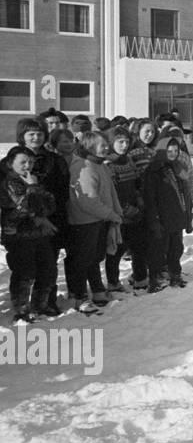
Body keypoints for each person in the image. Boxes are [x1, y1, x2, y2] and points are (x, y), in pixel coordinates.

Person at [66, 131, 124, 313]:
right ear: (89, 147)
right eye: (102, 145)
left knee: (95, 258)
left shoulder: (99, 165)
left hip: (100, 219)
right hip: (85, 222)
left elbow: (110, 192)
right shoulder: (84, 167)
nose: (107, 147)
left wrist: (117, 211)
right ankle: (80, 296)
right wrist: (111, 214)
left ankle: (98, 290)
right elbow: (88, 201)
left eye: (107, 144)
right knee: (83, 260)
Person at [2, 146, 59, 322]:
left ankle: (40, 305)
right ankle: (21, 309)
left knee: (48, 269)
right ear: (11, 163)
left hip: (39, 234)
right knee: (24, 273)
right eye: (23, 162)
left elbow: (50, 205)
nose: (28, 165)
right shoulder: (9, 183)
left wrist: (35, 195)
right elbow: (22, 208)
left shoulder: (32, 180)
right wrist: (33, 191)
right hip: (18, 235)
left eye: (31, 162)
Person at [141, 138, 193, 290]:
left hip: (176, 216)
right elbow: (150, 198)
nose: (173, 154)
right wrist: (154, 219)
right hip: (162, 217)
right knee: (159, 249)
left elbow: (185, 193)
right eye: (169, 151)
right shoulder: (154, 171)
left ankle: (175, 273)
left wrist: (188, 215)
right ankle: (156, 278)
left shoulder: (177, 168)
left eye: (176, 151)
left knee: (176, 248)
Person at [103, 127, 148, 294]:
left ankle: (140, 277)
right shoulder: (108, 164)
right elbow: (112, 191)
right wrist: (125, 209)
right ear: (111, 143)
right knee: (117, 250)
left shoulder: (129, 160)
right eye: (120, 142)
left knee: (138, 246)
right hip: (118, 213)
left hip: (135, 210)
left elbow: (136, 183)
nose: (124, 145)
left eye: (127, 142)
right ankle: (113, 282)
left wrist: (139, 202)